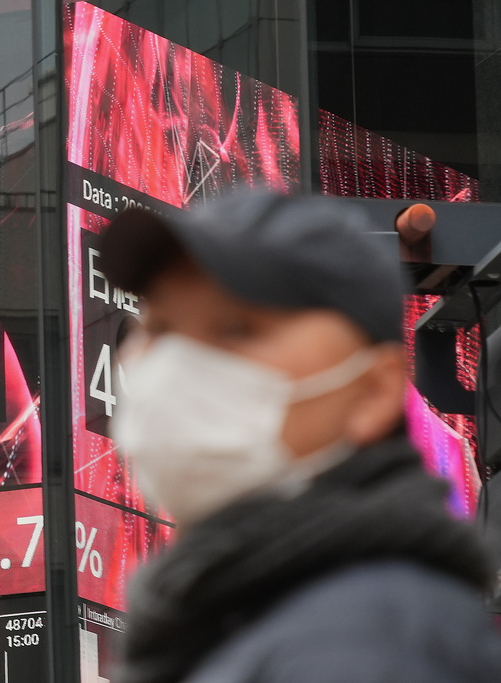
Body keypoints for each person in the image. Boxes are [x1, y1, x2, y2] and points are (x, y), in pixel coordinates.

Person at [98, 192, 501, 683]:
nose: (177, 367)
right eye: (160, 329)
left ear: (371, 393)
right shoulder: (235, 622)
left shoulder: (365, 639)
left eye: (236, 329)